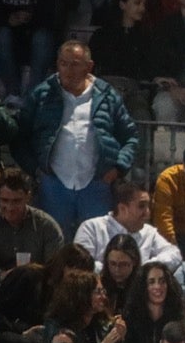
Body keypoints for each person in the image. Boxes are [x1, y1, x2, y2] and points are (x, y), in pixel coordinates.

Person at [13, 40, 139, 237]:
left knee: (98, 244)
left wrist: (117, 169)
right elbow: (19, 136)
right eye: (63, 63)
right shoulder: (41, 95)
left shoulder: (107, 95)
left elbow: (130, 136)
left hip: (96, 184)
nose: (68, 70)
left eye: (75, 64)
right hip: (54, 184)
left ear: (89, 66)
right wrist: (36, 171)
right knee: (53, 243)